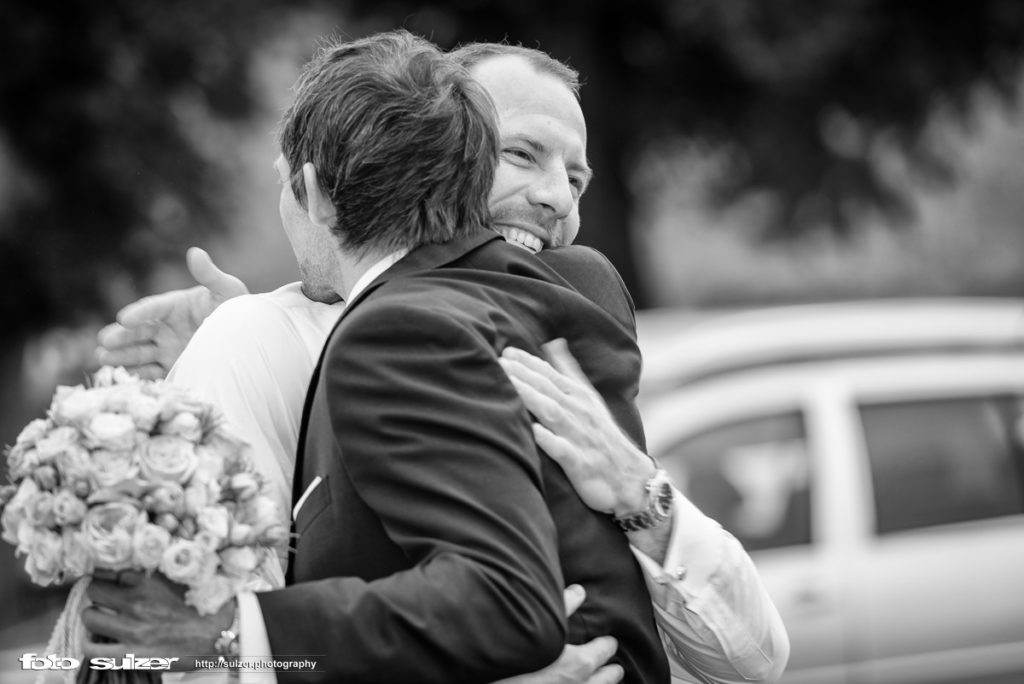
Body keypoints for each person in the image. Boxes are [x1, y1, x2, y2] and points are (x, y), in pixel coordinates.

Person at [95, 42, 789, 684]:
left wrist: (646, 499)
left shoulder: (556, 327)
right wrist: (247, 337)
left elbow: (754, 658)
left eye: (576, 178)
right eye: (520, 153)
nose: (558, 198)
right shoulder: (303, 338)